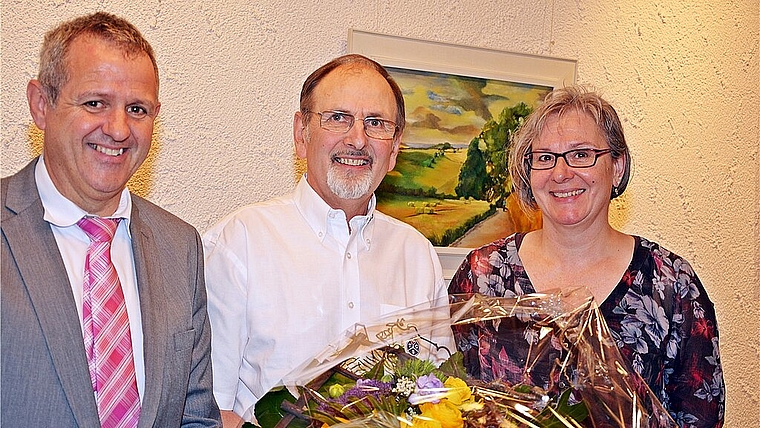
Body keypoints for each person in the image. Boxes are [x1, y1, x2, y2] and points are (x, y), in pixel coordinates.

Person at [448, 86, 724, 427]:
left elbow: (701, 418)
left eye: (581, 155)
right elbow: (448, 399)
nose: (561, 173)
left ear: (617, 167)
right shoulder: (483, 275)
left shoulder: (672, 286)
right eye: (545, 157)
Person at [203, 54, 452, 426]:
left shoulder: (416, 255)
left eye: (376, 123)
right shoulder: (239, 242)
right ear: (301, 134)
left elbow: (439, 396)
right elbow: (210, 411)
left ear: (395, 147)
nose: (358, 139)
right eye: (337, 118)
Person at [1, 12, 221, 427]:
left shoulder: (181, 247)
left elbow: (195, 415)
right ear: (40, 105)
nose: (118, 129)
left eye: (137, 109)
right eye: (95, 103)